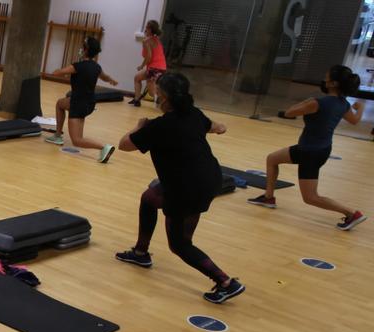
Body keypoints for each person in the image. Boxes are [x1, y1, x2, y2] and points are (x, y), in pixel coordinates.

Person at [115, 72, 245, 304]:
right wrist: (220, 127)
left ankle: (226, 282)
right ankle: (140, 253)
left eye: (156, 89)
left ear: (163, 98)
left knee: (180, 245)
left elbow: (124, 145)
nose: (154, 92)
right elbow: (216, 127)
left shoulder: (158, 127)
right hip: (210, 180)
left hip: (186, 189)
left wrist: (139, 126)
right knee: (149, 198)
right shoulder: (194, 115)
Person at [246, 65, 366, 231]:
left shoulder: (317, 103)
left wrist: (306, 102)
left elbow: (289, 113)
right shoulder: (343, 104)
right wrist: (361, 108)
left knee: (310, 198)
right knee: (272, 159)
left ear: (333, 84)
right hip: (317, 149)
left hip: (310, 152)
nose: (324, 80)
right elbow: (354, 120)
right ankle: (268, 197)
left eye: (327, 77)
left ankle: (352, 213)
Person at [44, 36, 119, 163]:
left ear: (85, 50)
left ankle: (104, 147)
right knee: (60, 103)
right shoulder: (96, 67)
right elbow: (105, 77)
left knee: (77, 140)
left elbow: (56, 73)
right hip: (89, 104)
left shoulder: (77, 66)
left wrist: (62, 69)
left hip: (78, 103)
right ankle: (57, 135)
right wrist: (111, 80)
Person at [129, 20, 166, 107]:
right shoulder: (156, 39)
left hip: (154, 68)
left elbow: (148, 56)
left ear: (149, 29)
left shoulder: (147, 41)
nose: (145, 29)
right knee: (137, 78)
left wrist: (141, 66)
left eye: (146, 27)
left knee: (151, 92)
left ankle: (166, 103)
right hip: (161, 67)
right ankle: (136, 99)